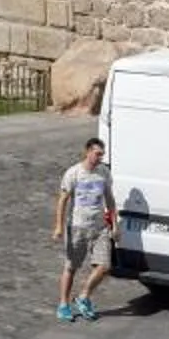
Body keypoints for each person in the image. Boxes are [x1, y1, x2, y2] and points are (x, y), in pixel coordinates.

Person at [52, 135, 117, 321]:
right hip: (78, 227)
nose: (100, 158)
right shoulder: (73, 173)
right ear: (87, 152)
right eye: (97, 154)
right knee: (71, 267)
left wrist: (115, 224)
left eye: (102, 155)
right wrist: (59, 226)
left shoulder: (103, 172)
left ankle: (83, 296)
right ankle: (63, 304)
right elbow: (63, 200)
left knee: (104, 266)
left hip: (99, 228)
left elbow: (110, 199)